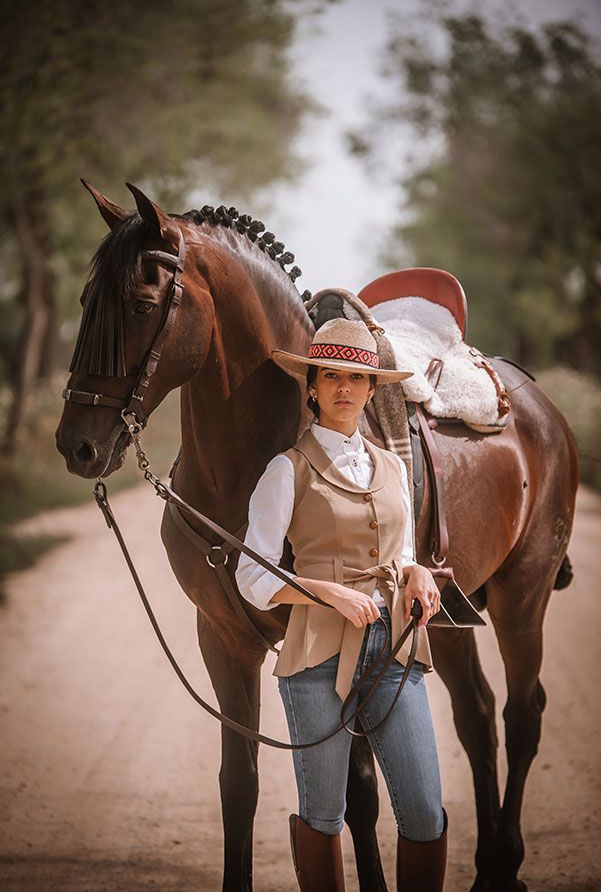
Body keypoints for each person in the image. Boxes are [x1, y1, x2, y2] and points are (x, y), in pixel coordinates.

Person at [235, 317, 448, 892]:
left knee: (424, 813)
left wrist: (416, 572)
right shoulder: (286, 470)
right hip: (317, 658)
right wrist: (324, 591)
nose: (344, 388)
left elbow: (403, 550)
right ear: (312, 387)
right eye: (330, 376)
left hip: (394, 649)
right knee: (324, 814)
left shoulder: (393, 467)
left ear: (373, 389)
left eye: (356, 377)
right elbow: (252, 576)